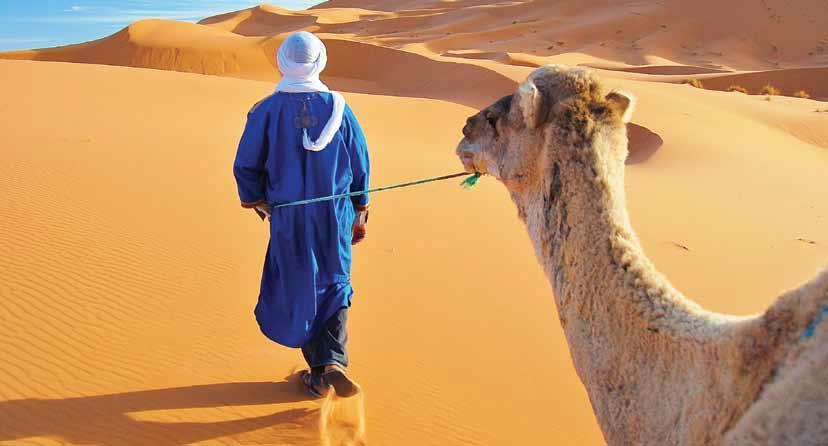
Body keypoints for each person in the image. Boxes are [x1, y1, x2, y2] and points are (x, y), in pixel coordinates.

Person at [233, 31, 370, 398]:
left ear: (282, 61)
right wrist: (360, 209)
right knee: (335, 282)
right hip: (334, 215)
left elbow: (246, 165)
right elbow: (360, 162)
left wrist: (259, 202)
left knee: (300, 284)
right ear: (319, 60)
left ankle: (321, 371)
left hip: (289, 218)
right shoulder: (341, 108)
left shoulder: (264, 111)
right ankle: (331, 363)